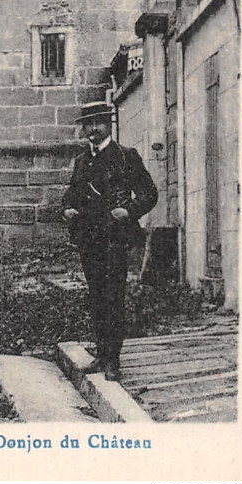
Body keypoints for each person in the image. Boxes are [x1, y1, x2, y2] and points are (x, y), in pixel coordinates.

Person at [62, 101, 158, 381]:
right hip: (89, 240)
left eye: (98, 123)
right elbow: (72, 194)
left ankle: (113, 360)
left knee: (113, 297)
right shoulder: (82, 161)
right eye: (88, 124)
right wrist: (67, 208)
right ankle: (101, 354)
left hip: (115, 239)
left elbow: (149, 193)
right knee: (96, 297)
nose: (93, 129)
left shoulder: (126, 156)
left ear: (108, 124)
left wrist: (128, 211)